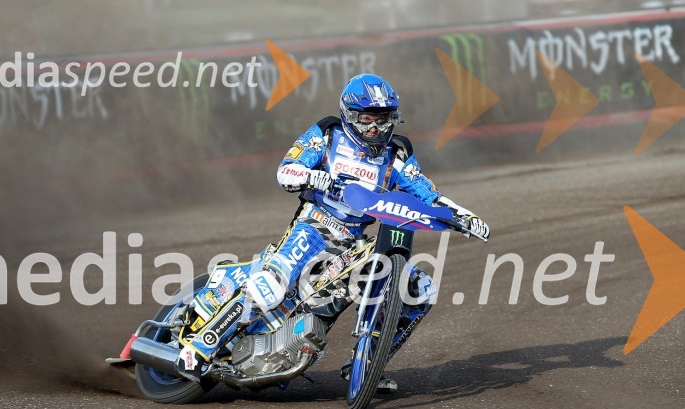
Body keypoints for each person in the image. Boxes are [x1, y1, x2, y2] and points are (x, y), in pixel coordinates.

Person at [179, 74, 489, 392]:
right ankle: (200, 347)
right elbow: (286, 171)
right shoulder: (328, 134)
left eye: (383, 121)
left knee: (420, 290)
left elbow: (427, 193)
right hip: (314, 226)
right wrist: (318, 179)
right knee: (273, 283)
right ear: (350, 116)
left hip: (355, 243)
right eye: (368, 120)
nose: (375, 129)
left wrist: (463, 216)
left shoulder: (397, 154)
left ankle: (367, 363)